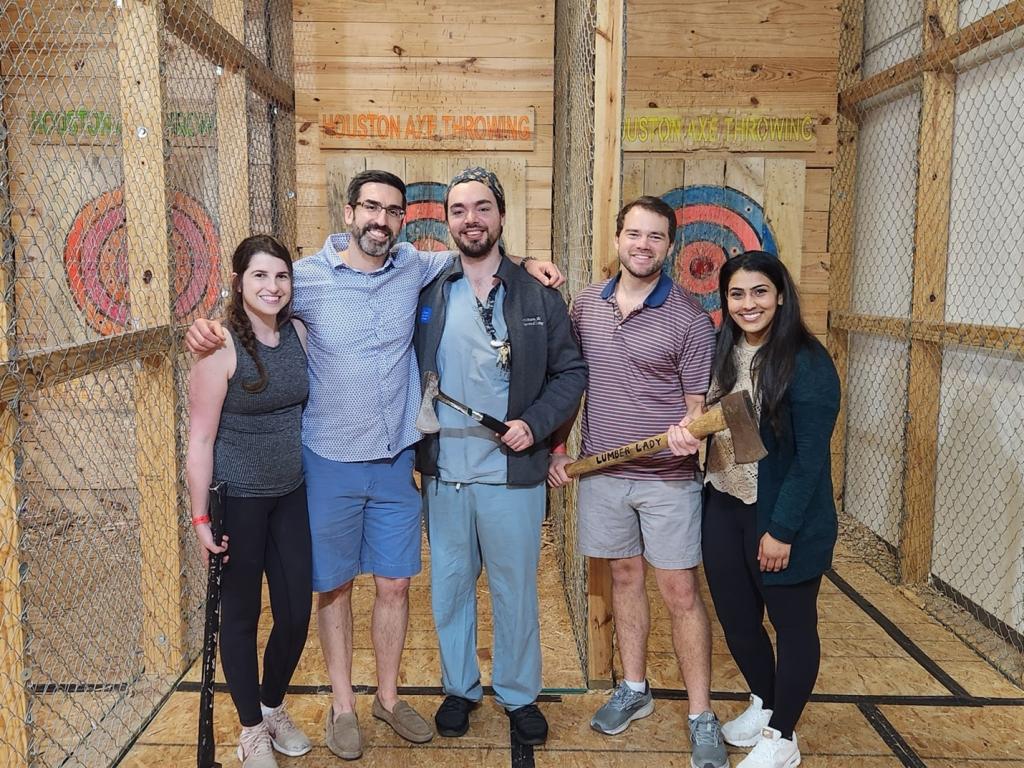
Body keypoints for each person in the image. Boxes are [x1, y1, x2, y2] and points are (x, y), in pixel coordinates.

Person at [184, 170, 563, 760]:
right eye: (369, 208)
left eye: (392, 210)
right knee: (333, 589)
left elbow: (480, 251)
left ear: (405, 220)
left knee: (394, 584)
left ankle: (387, 698)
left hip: (395, 460)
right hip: (329, 460)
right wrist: (207, 325)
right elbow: (255, 301)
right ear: (348, 213)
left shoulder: (415, 266)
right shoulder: (304, 278)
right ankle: (343, 706)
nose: (379, 220)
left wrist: (533, 260)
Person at [548, 196, 728, 768]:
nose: (642, 245)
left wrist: (689, 433)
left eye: (655, 236)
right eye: (633, 234)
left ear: (670, 246)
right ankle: (635, 687)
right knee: (624, 579)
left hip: (667, 480)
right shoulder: (583, 308)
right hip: (602, 473)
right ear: (619, 239)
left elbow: (696, 408)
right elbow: (575, 385)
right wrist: (559, 445)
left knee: (679, 592)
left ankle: (701, 714)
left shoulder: (689, 320)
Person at [414, 167, 587, 746]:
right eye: (459, 209)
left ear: (501, 217)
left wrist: (534, 425)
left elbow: (571, 372)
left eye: (482, 207)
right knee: (451, 588)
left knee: (515, 592)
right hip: (445, 475)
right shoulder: (430, 290)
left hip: (513, 476)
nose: (471, 219)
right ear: (447, 222)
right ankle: (460, 689)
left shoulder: (538, 293)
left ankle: (518, 695)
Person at [667, 251, 841, 768]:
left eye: (759, 292)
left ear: (780, 294)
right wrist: (688, 429)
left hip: (783, 516)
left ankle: (783, 737)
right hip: (725, 501)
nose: (748, 304)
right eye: (737, 294)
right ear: (725, 300)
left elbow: (811, 459)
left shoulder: (807, 362)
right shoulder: (727, 348)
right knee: (739, 622)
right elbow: (731, 429)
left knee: (791, 627)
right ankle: (766, 704)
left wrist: (782, 530)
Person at [186, 235, 312, 768]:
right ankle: (251, 729)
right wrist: (199, 519)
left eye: (281, 276)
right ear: (239, 282)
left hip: (290, 496)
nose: (272, 286)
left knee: (295, 616)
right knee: (239, 618)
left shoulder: (300, 332)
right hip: (237, 501)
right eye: (260, 276)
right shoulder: (220, 347)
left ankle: (271, 704)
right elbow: (199, 439)